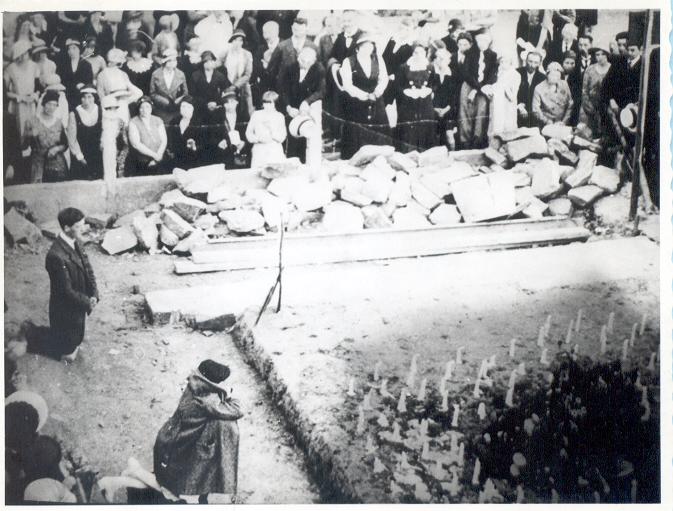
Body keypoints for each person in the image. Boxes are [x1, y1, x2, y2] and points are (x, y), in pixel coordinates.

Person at [153, 359, 243, 504]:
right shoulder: (207, 401)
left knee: (173, 487)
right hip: (177, 451)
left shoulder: (195, 386)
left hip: (170, 440)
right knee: (176, 493)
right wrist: (228, 393)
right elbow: (237, 409)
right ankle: (134, 473)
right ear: (212, 383)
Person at [45, 207, 98, 362]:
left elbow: (88, 269)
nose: (83, 229)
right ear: (67, 228)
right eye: (78, 226)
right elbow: (65, 291)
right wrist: (88, 301)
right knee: (67, 348)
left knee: (77, 337)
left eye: (83, 224)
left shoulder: (76, 241)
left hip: (78, 303)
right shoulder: (55, 256)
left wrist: (94, 293)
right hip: (65, 310)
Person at [339, 33, 389, 159]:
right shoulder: (348, 62)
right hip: (356, 102)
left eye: (370, 46)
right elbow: (347, 85)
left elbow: (384, 78)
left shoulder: (378, 59)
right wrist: (364, 95)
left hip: (376, 100)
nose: (368, 49)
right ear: (357, 48)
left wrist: (377, 92)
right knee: (356, 133)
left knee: (378, 131)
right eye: (364, 47)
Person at [279, 46, 325, 162]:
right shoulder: (290, 68)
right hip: (292, 108)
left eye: (308, 62)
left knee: (306, 139)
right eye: (302, 61)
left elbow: (321, 91)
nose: (304, 64)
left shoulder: (319, 69)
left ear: (313, 61)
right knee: (291, 140)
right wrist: (288, 107)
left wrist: (307, 102)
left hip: (308, 110)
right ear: (298, 58)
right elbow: (283, 90)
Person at [458, 28, 498, 149]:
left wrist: (478, 90)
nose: (482, 44)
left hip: (484, 88)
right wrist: (475, 88)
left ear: (489, 42)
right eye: (479, 41)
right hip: (469, 84)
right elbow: (466, 73)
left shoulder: (493, 55)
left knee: (481, 110)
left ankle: (477, 141)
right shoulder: (470, 53)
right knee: (465, 112)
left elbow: (492, 76)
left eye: (484, 41)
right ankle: (465, 141)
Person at [190, 50, 232, 164]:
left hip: (216, 111)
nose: (209, 64)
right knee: (202, 135)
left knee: (217, 134)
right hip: (200, 110)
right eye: (206, 62)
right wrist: (205, 104)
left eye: (211, 61)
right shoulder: (196, 75)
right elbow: (193, 95)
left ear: (214, 62)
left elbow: (225, 93)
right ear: (202, 63)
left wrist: (216, 103)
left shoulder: (220, 76)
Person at [395, 41, 437, 152]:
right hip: (409, 102)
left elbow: (434, 82)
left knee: (425, 125)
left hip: (425, 102)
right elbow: (398, 85)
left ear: (425, 53)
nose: (418, 55)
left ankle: (425, 152)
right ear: (412, 53)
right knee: (409, 128)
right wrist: (407, 92)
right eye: (416, 52)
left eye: (421, 52)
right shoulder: (404, 67)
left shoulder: (430, 66)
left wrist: (429, 90)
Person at [23, 90, 69, 183]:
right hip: (38, 164)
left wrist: (56, 149)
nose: (51, 107)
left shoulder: (58, 122)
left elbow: (65, 144)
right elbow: (23, 146)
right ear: (43, 104)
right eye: (49, 104)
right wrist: (29, 134)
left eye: (54, 105)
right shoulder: (31, 121)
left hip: (57, 164)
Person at [267, 14, 317, 91]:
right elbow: (272, 71)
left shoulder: (313, 47)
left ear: (306, 30)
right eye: (296, 30)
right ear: (292, 28)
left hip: (305, 91)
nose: (298, 32)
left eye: (301, 30)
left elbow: (317, 71)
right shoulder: (281, 47)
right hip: (283, 90)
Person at [5, 40, 40, 146]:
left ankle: (32, 150)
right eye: (21, 54)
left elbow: (38, 87)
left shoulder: (34, 66)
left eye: (25, 53)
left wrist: (35, 95)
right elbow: (5, 92)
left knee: (33, 130)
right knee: (19, 131)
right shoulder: (10, 68)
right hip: (17, 105)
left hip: (31, 103)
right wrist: (19, 97)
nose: (24, 56)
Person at [97, 48, 143, 125]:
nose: (119, 66)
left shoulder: (123, 74)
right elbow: (101, 95)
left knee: (124, 126)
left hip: (123, 106)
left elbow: (138, 93)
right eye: (118, 63)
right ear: (110, 62)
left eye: (120, 63)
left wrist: (126, 101)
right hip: (110, 107)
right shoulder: (102, 75)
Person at [67, 85, 103, 180]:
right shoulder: (74, 114)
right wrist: (79, 156)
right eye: (84, 97)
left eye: (89, 97)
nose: (86, 100)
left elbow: (105, 131)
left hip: (99, 155)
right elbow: (72, 139)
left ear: (94, 98)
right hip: (82, 156)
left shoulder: (101, 110)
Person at [127, 96, 168, 175]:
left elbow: (164, 140)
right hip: (143, 161)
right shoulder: (133, 122)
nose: (145, 110)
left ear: (151, 108)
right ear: (138, 109)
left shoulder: (158, 120)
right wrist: (154, 156)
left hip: (160, 157)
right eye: (141, 107)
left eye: (147, 107)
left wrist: (158, 156)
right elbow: (136, 144)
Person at [246, 90, 287, 168]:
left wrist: (272, 130)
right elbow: (248, 133)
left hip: (274, 151)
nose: (267, 105)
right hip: (259, 150)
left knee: (275, 173)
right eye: (265, 103)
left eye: (270, 103)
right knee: (258, 173)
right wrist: (257, 139)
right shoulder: (256, 114)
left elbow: (282, 137)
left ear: (275, 103)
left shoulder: (280, 116)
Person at [430, 44, 460, 149]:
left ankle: (453, 155)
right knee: (435, 136)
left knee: (449, 135)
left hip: (449, 110)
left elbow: (454, 97)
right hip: (434, 110)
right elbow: (430, 93)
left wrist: (446, 109)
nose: (440, 61)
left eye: (443, 59)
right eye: (438, 58)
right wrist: (435, 109)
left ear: (448, 60)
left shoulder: (453, 75)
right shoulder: (432, 74)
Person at [381, 17, 415, 108]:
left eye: (407, 30)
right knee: (382, 103)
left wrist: (395, 75)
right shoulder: (393, 40)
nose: (403, 31)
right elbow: (384, 57)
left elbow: (406, 66)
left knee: (401, 106)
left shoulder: (410, 46)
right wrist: (384, 73)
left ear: (410, 31)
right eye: (401, 28)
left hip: (400, 80)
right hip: (386, 76)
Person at [149, 48, 188, 124]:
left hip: (176, 110)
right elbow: (152, 93)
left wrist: (178, 100)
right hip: (161, 109)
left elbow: (185, 93)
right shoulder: (156, 74)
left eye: (175, 60)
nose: (173, 63)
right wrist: (165, 101)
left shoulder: (180, 74)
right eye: (170, 61)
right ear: (164, 62)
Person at [579, 46, 611, 137]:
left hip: (606, 108)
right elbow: (584, 91)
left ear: (607, 55)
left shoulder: (612, 69)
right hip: (589, 109)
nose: (600, 57)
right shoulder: (589, 69)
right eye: (597, 54)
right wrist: (590, 108)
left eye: (603, 54)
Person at [223, 29, 254, 121]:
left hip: (243, 87)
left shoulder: (247, 54)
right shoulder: (226, 53)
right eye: (235, 40)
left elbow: (248, 74)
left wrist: (235, 86)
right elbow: (216, 65)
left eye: (240, 40)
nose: (238, 43)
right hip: (228, 87)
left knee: (247, 113)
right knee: (230, 113)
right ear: (232, 41)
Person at [532, 61, 574, 127]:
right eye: (553, 75)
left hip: (562, 123)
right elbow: (535, 110)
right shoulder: (539, 88)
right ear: (547, 74)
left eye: (558, 76)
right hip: (546, 124)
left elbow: (570, 105)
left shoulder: (564, 84)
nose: (555, 78)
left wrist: (564, 122)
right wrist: (547, 122)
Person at [488, 54, 521, 138]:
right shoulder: (499, 73)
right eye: (501, 62)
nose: (503, 64)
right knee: (495, 128)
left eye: (506, 62)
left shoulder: (515, 75)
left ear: (511, 63)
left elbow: (513, 97)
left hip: (508, 108)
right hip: (497, 107)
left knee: (508, 130)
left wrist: (504, 86)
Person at [167, 96, 204, 170]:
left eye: (188, 107)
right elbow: (170, 139)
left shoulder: (199, 122)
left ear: (193, 109)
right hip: (176, 159)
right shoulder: (174, 121)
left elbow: (204, 143)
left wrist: (194, 147)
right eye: (183, 106)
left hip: (194, 160)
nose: (185, 109)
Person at [56, 39, 93, 111]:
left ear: (79, 50)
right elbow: (61, 80)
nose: (71, 51)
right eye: (69, 49)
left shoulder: (86, 65)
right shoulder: (63, 65)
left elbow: (89, 82)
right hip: (67, 95)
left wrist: (83, 85)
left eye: (74, 48)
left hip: (81, 96)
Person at [213, 91, 247, 168]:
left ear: (237, 102)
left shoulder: (243, 116)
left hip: (240, 154)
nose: (229, 105)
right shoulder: (217, 117)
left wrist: (244, 143)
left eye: (232, 102)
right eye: (226, 103)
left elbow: (248, 134)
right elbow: (211, 135)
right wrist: (218, 142)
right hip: (223, 154)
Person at [251, 21, 281, 108]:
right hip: (264, 90)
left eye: (269, 32)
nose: (266, 36)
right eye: (264, 33)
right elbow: (256, 70)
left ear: (277, 32)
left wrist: (267, 65)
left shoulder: (285, 46)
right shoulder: (260, 49)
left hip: (280, 89)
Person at [101, 94, 129, 178]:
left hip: (118, 156)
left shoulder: (120, 122)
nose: (111, 111)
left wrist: (120, 158)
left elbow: (125, 144)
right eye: (108, 108)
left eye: (114, 108)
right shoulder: (100, 123)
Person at [516, 50, 545, 128]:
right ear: (526, 60)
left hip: (533, 114)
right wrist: (519, 106)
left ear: (539, 63)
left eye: (536, 62)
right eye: (530, 61)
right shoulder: (517, 73)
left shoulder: (542, 78)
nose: (532, 65)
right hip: (517, 111)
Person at [561, 50, 582, 126]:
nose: (569, 66)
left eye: (572, 63)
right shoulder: (557, 75)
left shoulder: (578, 78)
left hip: (572, 112)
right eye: (567, 63)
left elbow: (577, 99)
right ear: (562, 63)